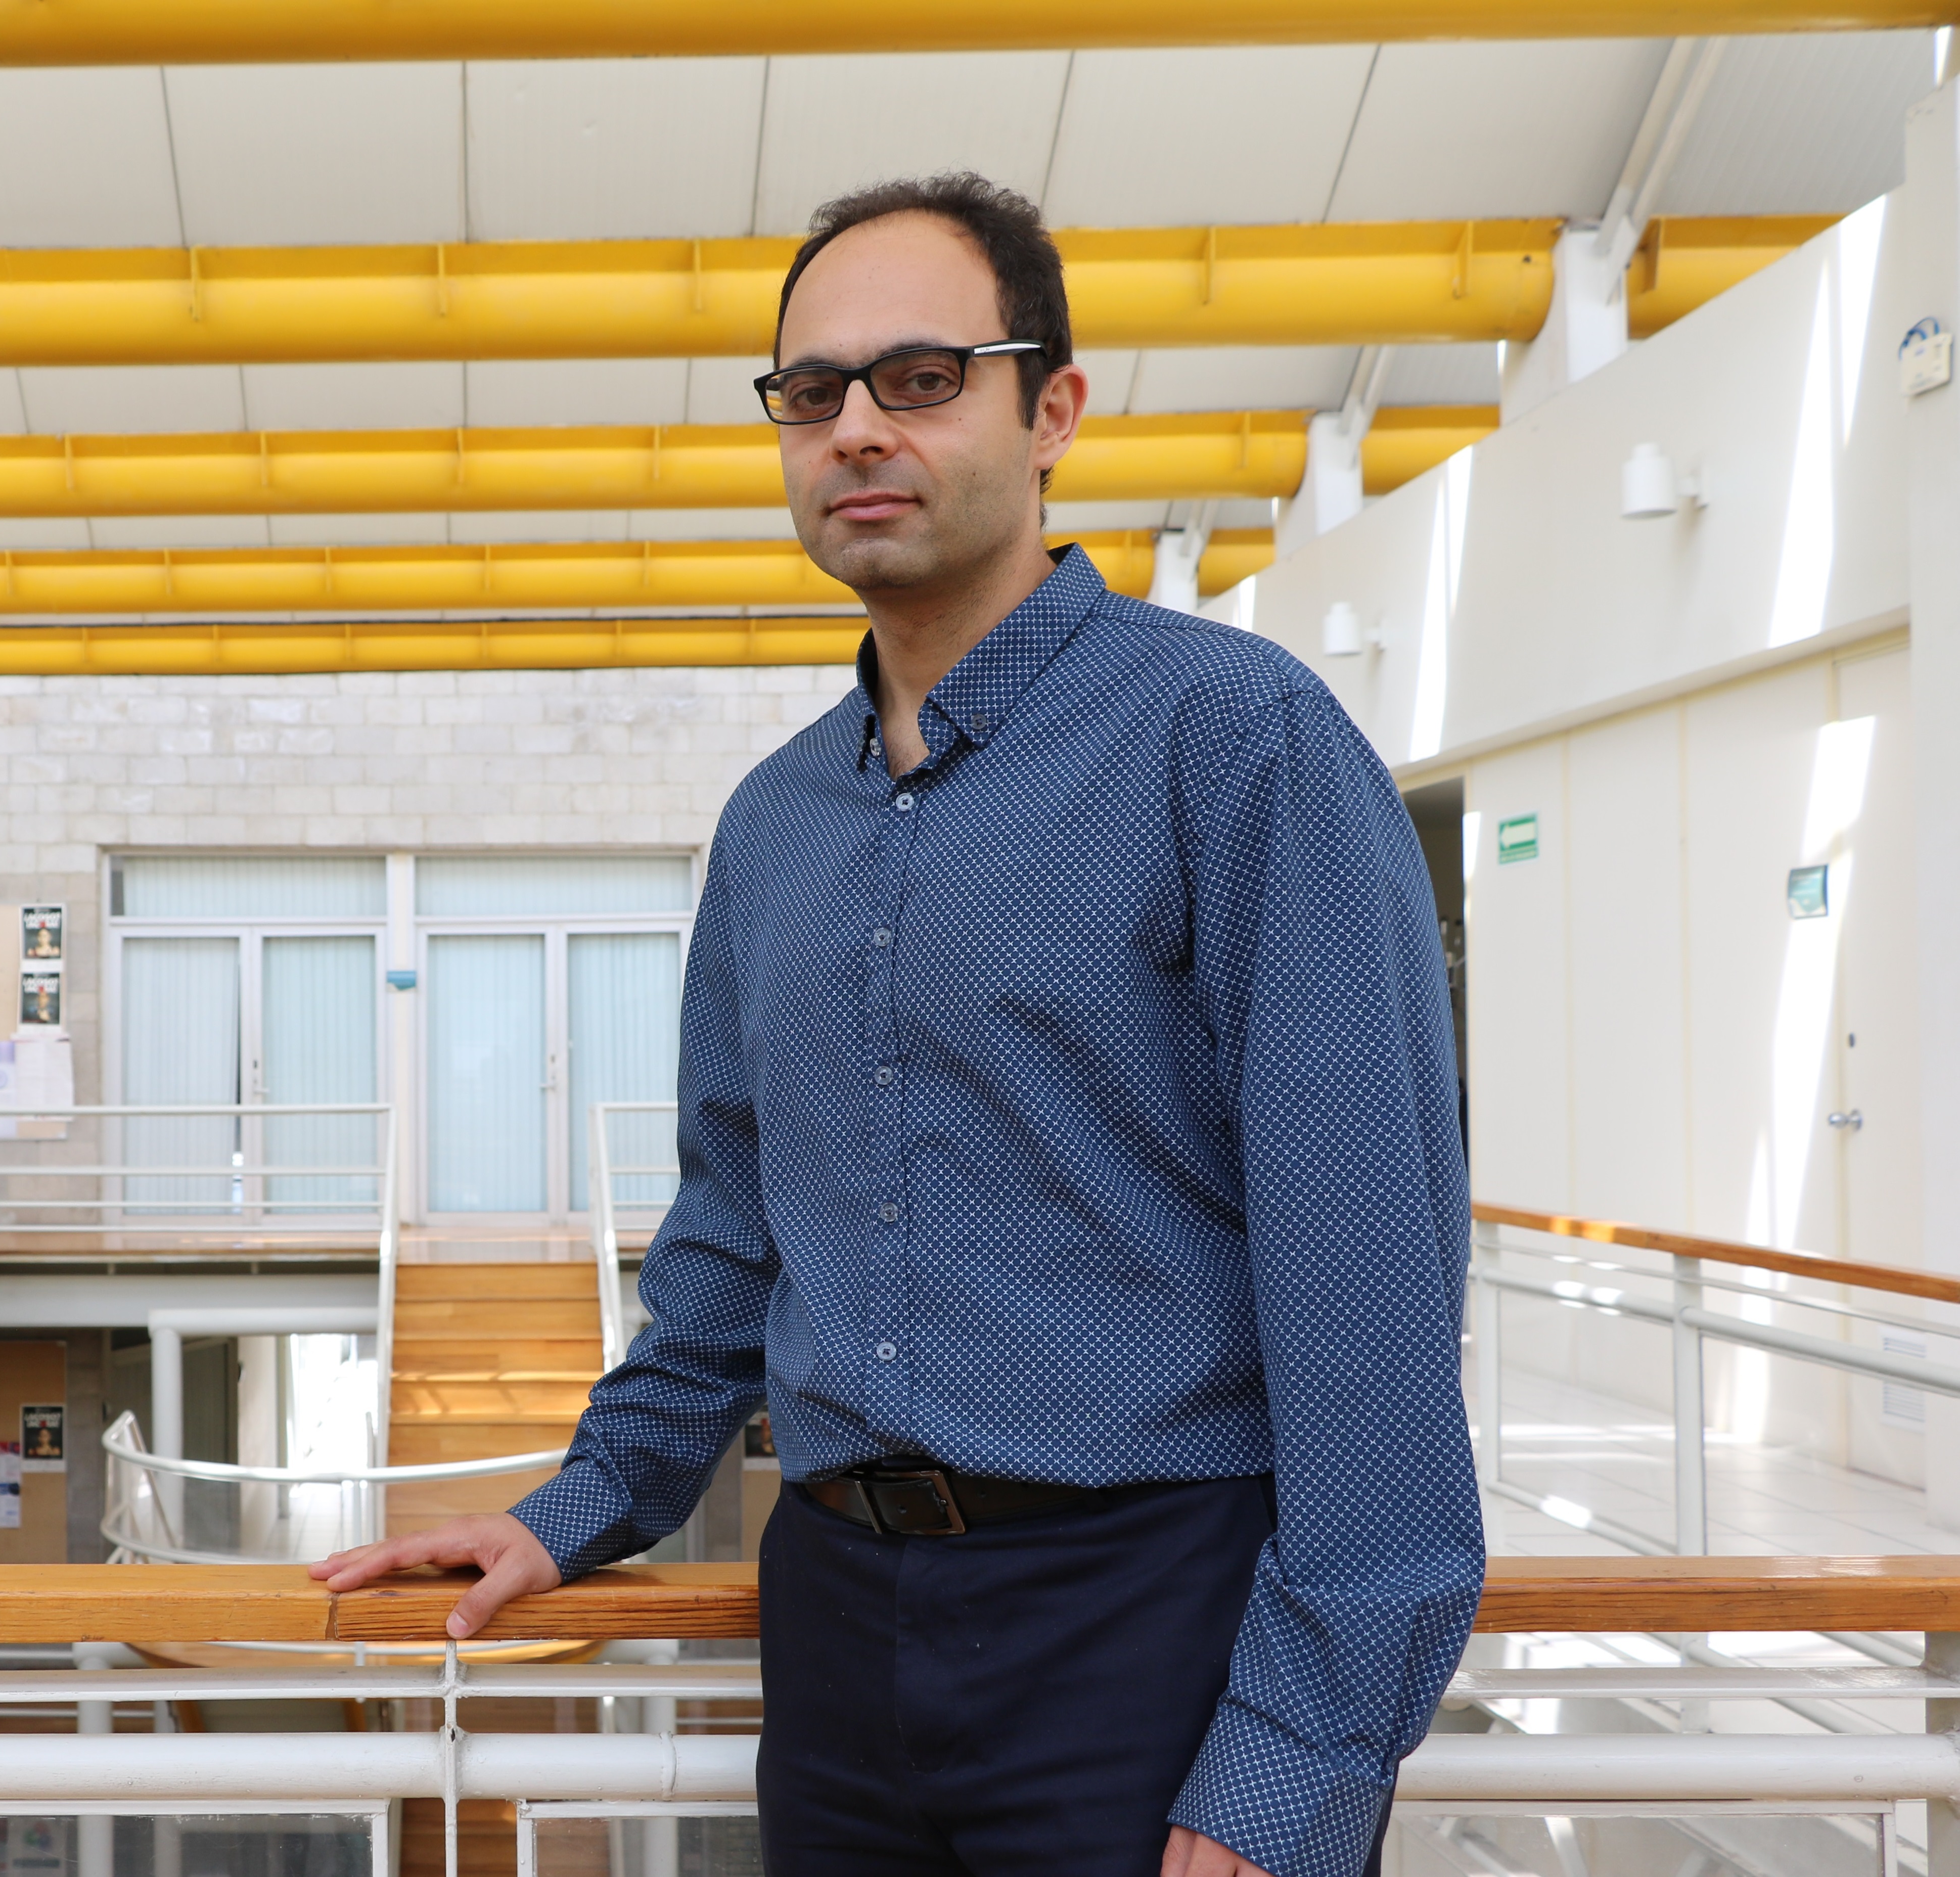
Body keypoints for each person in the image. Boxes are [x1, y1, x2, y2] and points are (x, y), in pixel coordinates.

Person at [314, 171, 1482, 1877]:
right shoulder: (778, 822)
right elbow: (729, 1237)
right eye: (812, 391)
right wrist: (580, 1507)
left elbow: (1365, 1291)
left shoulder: (1234, 743)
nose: (858, 427)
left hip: (1149, 1621)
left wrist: (1290, 1765)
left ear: (1054, 408)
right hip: (839, 1625)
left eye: (923, 377)